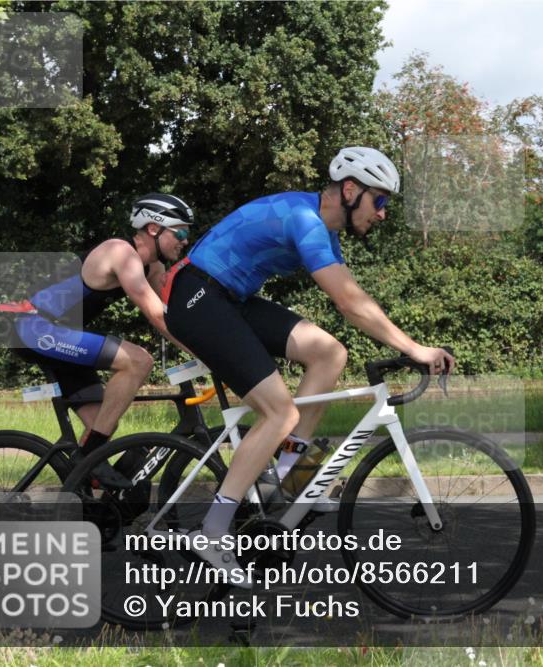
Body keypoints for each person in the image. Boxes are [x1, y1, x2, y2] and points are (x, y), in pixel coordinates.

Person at [162, 147, 455, 582]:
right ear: (351, 190)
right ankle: (214, 529)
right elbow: (349, 302)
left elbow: (352, 296)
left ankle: (291, 476)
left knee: (329, 353)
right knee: (280, 411)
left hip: (228, 298)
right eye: (380, 201)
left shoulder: (323, 229)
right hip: (197, 298)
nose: (383, 213)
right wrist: (414, 348)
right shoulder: (305, 220)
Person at [0, 193, 194, 487]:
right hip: (34, 328)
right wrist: (206, 354)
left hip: (58, 336)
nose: (185, 240)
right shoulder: (121, 252)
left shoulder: (154, 267)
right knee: (139, 361)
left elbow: (172, 314)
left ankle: (87, 500)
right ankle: (86, 459)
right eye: (180, 231)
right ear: (154, 228)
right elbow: (156, 316)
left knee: (103, 424)